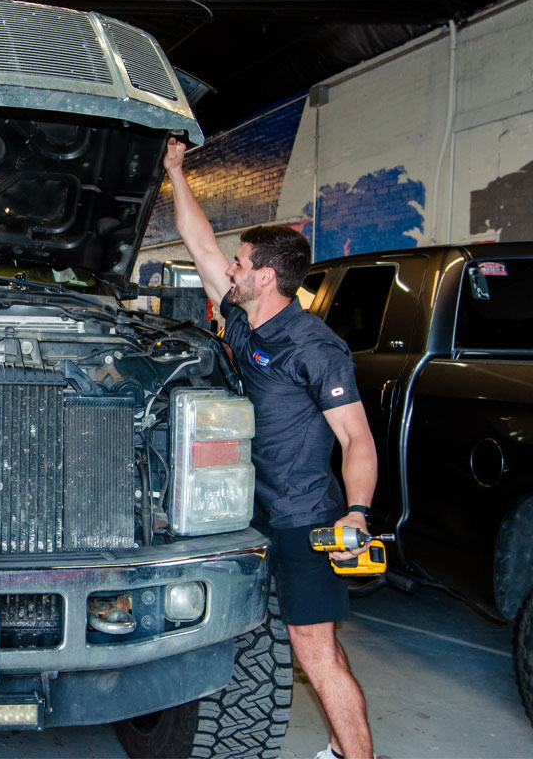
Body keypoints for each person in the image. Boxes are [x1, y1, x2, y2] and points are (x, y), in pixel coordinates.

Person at [163, 137, 378, 759]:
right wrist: (176, 171)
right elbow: (199, 244)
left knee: (316, 651)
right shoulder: (240, 320)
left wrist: (357, 513)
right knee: (288, 643)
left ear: (264, 275)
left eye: (239, 261)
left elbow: (356, 439)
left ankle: (354, 755)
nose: (228, 267)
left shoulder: (314, 345)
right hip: (250, 515)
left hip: (303, 519)